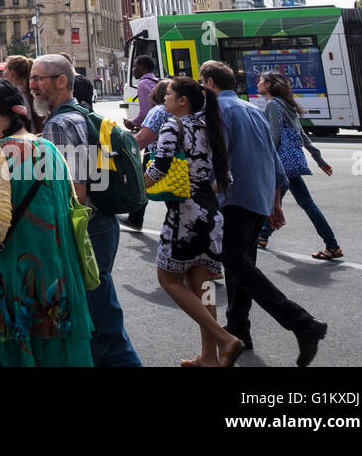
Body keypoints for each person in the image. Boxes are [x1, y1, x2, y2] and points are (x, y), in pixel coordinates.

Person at [200, 60, 327, 365]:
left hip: (235, 197)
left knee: (236, 263)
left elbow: (217, 158)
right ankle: (240, 330)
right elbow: (274, 157)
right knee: (241, 265)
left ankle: (301, 322)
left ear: (209, 84)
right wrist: (275, 201)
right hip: (258, 196)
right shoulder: (253, 110)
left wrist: (206, 186)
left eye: (202, 84)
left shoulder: (218, 112)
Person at [0, 79, 93, 367]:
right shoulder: (50, 148)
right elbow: (71, 205)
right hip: (59, 275)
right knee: (56, 354)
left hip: (19, 279)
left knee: (21, 355)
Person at [31, 53, 141, 367]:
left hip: (86, 229)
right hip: (102, 222)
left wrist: (59, 234)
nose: (33, 86)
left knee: (101, 317)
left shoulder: (59, 123)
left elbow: (75, 189)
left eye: (39, 79)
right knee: (97, 314)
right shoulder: (77, 114)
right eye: (32, 79)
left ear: (61, 81)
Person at [145, 76, 241, 366]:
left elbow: (160, 166)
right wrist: (199, 189)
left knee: (168, 279)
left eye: (169, 94)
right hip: (212, 214)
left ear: (182, 100)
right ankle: (209, 357)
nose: (165, 98)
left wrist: (137, 186)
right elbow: (226, 178)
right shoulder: (207, 126)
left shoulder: (174, 124)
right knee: (204, 286)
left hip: (184, 217)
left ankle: (224, 339)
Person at [255, 71, 341, 259]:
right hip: (290, 163)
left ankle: (262, 236)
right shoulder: (287, 104)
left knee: (276, 201)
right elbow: (301, 135)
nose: (258, 82)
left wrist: (266, 161)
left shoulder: (271, 104)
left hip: (280, 164)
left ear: (269, 85)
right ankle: (331, 245)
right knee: (304, 203)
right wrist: (318, 159)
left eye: (261, 80)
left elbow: (274, 138)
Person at [122, 55, 160, 229]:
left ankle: (136, 218)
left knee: (141, 179)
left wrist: (132, 123)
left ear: (143, 67)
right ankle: (136, 217)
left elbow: (145, 113)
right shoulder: (158, 81)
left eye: (135, 66)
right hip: (161, 138)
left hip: (151, 140)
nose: (133, 69)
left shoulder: (144, 84)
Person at [3, 55, 34, 127]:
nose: (3, 73)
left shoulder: (9, 97)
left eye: (5, 69)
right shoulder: (33, 93)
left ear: (12, 73)